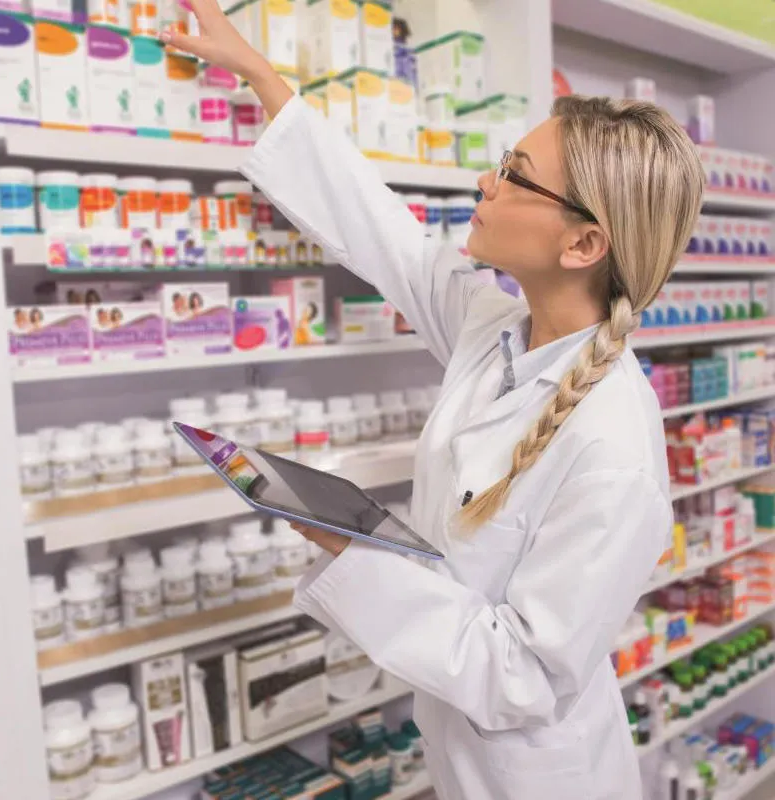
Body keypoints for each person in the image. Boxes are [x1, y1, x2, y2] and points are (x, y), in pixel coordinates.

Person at [162, 9, 703, 799]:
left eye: (516, 174)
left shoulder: (613, 445)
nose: (488, 183)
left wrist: (352, 550)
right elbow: (390, 238)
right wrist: (263, 79)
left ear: (583, 244)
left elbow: (520, 674)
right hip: (461, 754)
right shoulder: (498, 330)